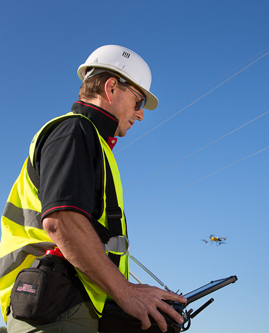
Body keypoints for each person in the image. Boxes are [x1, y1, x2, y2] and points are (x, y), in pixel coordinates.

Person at [0, 45, 186, 332]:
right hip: (55, 304)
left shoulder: (91, 141)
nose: (140, 115)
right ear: (112, 88)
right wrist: (125, 292)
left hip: (64, 301)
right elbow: (63, 222)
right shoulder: (75, 132)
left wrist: (131, 293)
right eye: (138, 102)